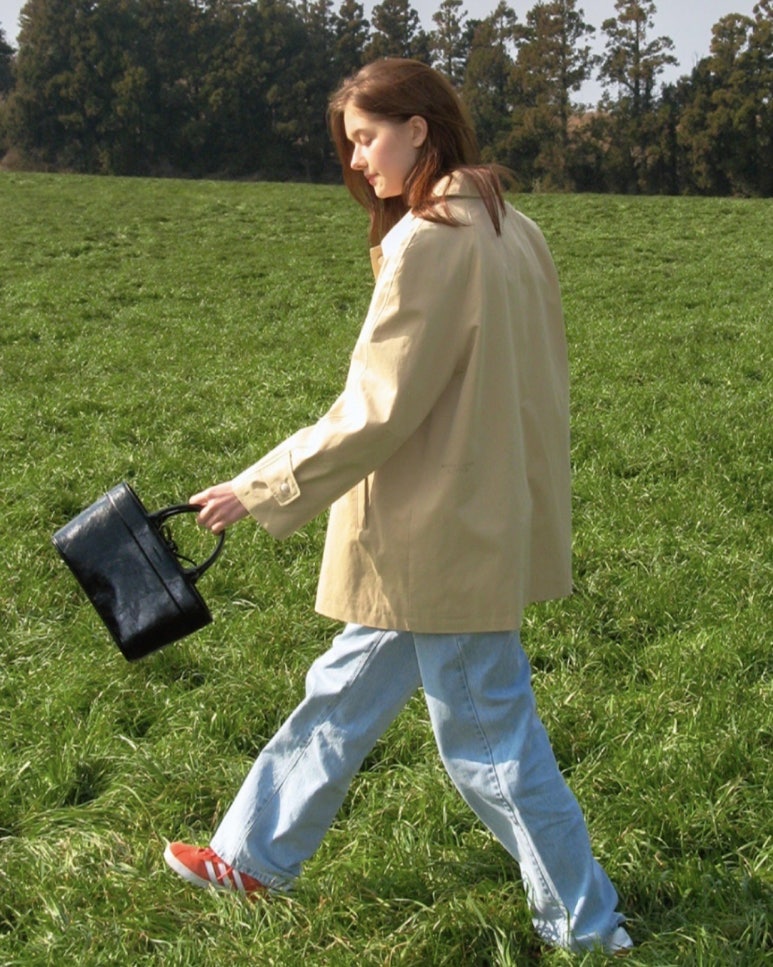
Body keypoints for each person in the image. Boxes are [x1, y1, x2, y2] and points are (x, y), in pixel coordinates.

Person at [163, 58, 633, 955]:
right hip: (469, 519)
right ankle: (249, 857)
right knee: (339, 695)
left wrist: (254, 488)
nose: (356, 161)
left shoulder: (433, 238)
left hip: (439, 532)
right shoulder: (513, 227)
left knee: (489, 743)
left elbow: (375, 410)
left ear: (419, 129)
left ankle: (584, 925)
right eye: (349, 144)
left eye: (366, 138)